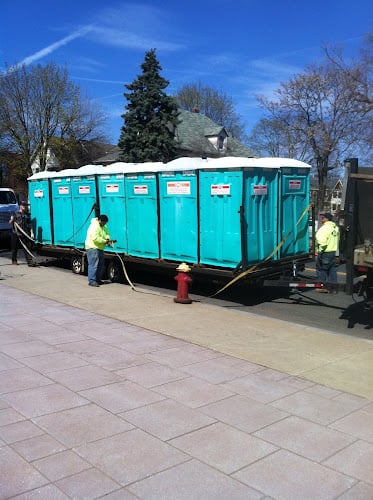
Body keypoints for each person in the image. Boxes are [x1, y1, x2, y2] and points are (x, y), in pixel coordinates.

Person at [85, 214, 113, 287]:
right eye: (103, 222)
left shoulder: (104, 226)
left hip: (100, 248)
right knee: (93, 265)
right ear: (99, 220)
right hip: (92, 248)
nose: (104, 224)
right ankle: (92, 281)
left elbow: (107, 233)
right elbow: (95, 238)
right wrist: (104, 241)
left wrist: (108, 239)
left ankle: (97, 280)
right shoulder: (94, 226)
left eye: (105, 223)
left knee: (100, 265)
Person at [315, 212, 339, 293]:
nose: (321, 219)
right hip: (333, 252)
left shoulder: (324, 228)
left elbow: (321, 240)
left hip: (325, 252)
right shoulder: (335, 228)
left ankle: (322, 287)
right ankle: (333, 287)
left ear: (326, 219)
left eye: (323, 218)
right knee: (332, 270)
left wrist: (320, 250)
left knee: (322, 269)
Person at [9, 201, 37, 267]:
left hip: (24, 233)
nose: (25, 206)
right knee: (14, 248)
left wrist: (32, 232)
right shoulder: (15, 213)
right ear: (20, 206)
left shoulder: (27, 214)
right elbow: (9, 222)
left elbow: (29, 224)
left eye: (26, 205)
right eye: (24, 205)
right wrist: (12, 220)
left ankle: (30, 262)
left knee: (27, 247)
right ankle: (14, 260)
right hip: (15, 233)